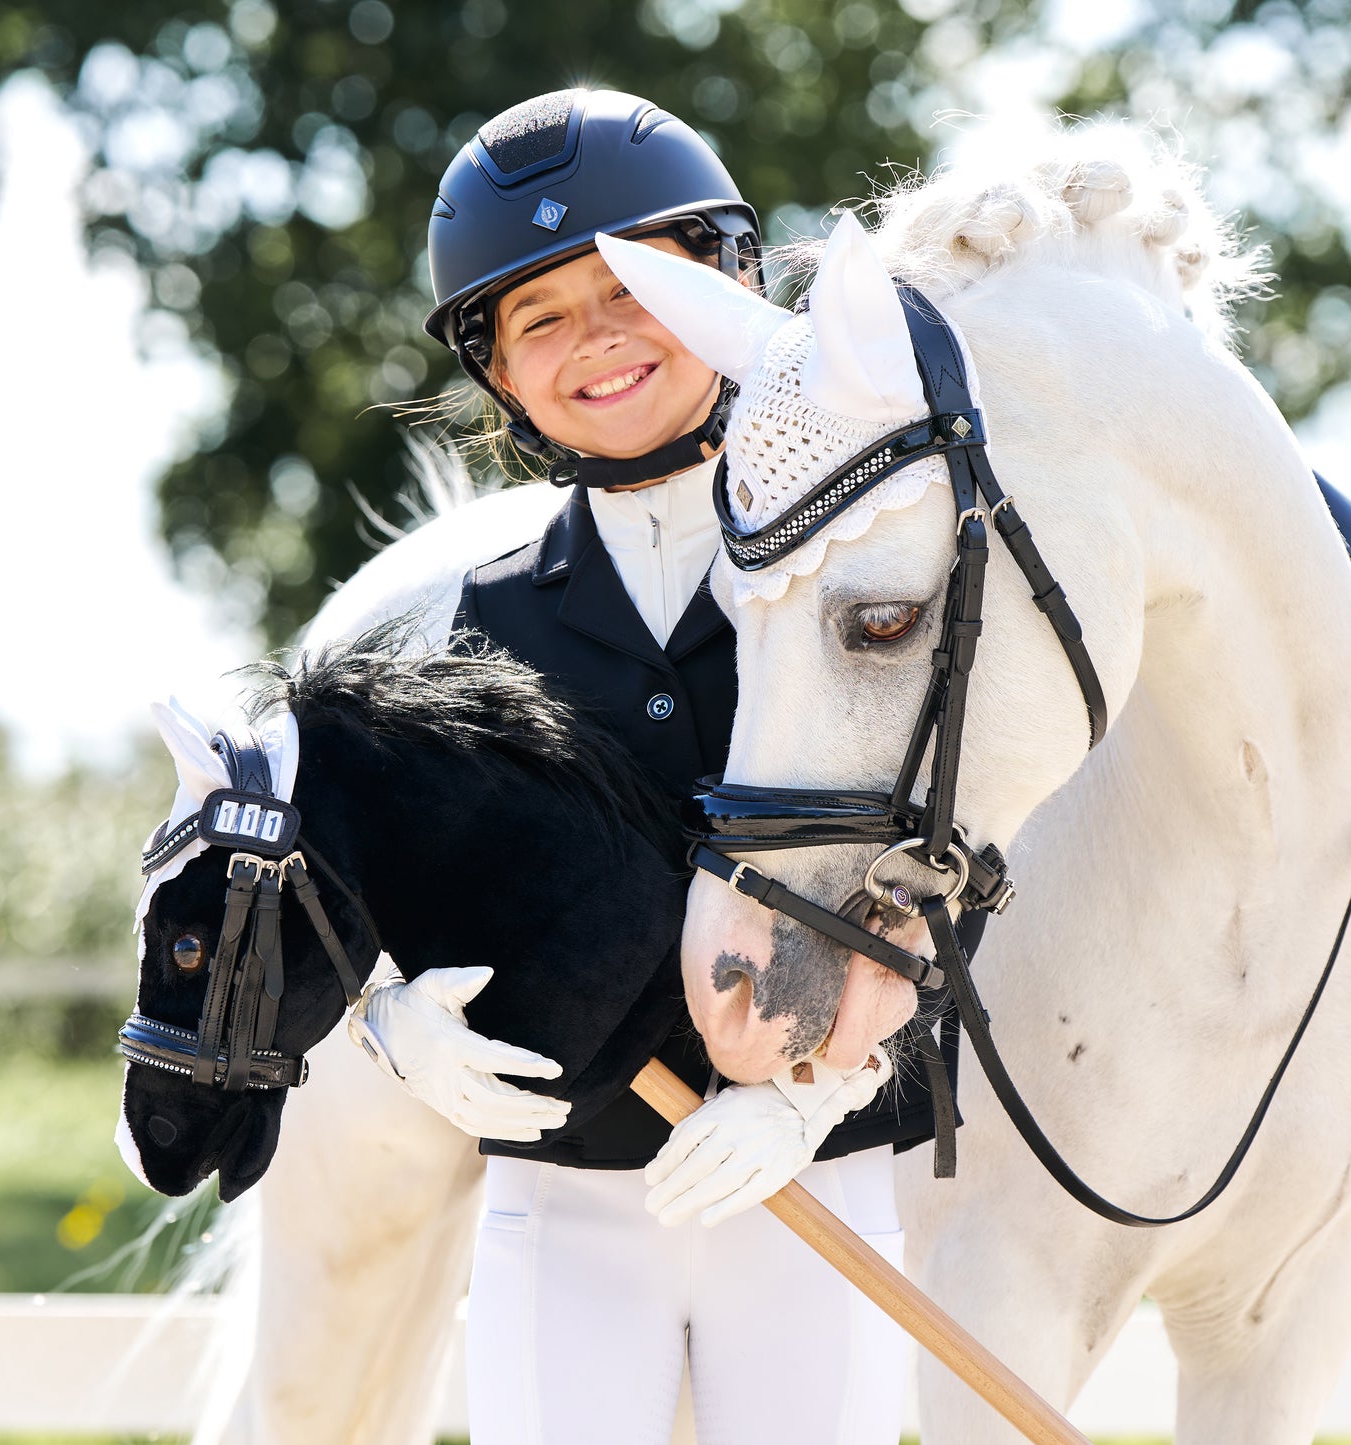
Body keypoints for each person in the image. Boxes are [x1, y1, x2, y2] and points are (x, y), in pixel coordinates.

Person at [348, 88, 927, 1445]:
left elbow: (946, 860)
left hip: (815, 1175)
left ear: (731, 281)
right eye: (539, 317)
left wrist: (818, 1097)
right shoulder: (471, 624)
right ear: (497, 373)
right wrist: (394, 1023)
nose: (597, 339)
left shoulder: (867, 580)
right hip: (563, 1201)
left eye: (634, 287)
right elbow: (378, 892)